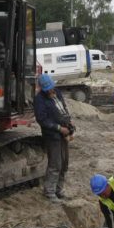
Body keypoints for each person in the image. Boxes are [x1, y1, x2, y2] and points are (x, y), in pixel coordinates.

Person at [34, 74, 74, 202]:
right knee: (55, 163)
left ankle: (58, 190)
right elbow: (42, 120)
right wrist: (58, 128)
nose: (51, 91)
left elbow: (63, 109)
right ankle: (49, 192)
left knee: (64, 163)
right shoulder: (39, 100)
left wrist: (68, 124)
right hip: (52, 136)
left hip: (63, 133)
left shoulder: (57, 92)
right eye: (48, 89)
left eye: (52, 88)